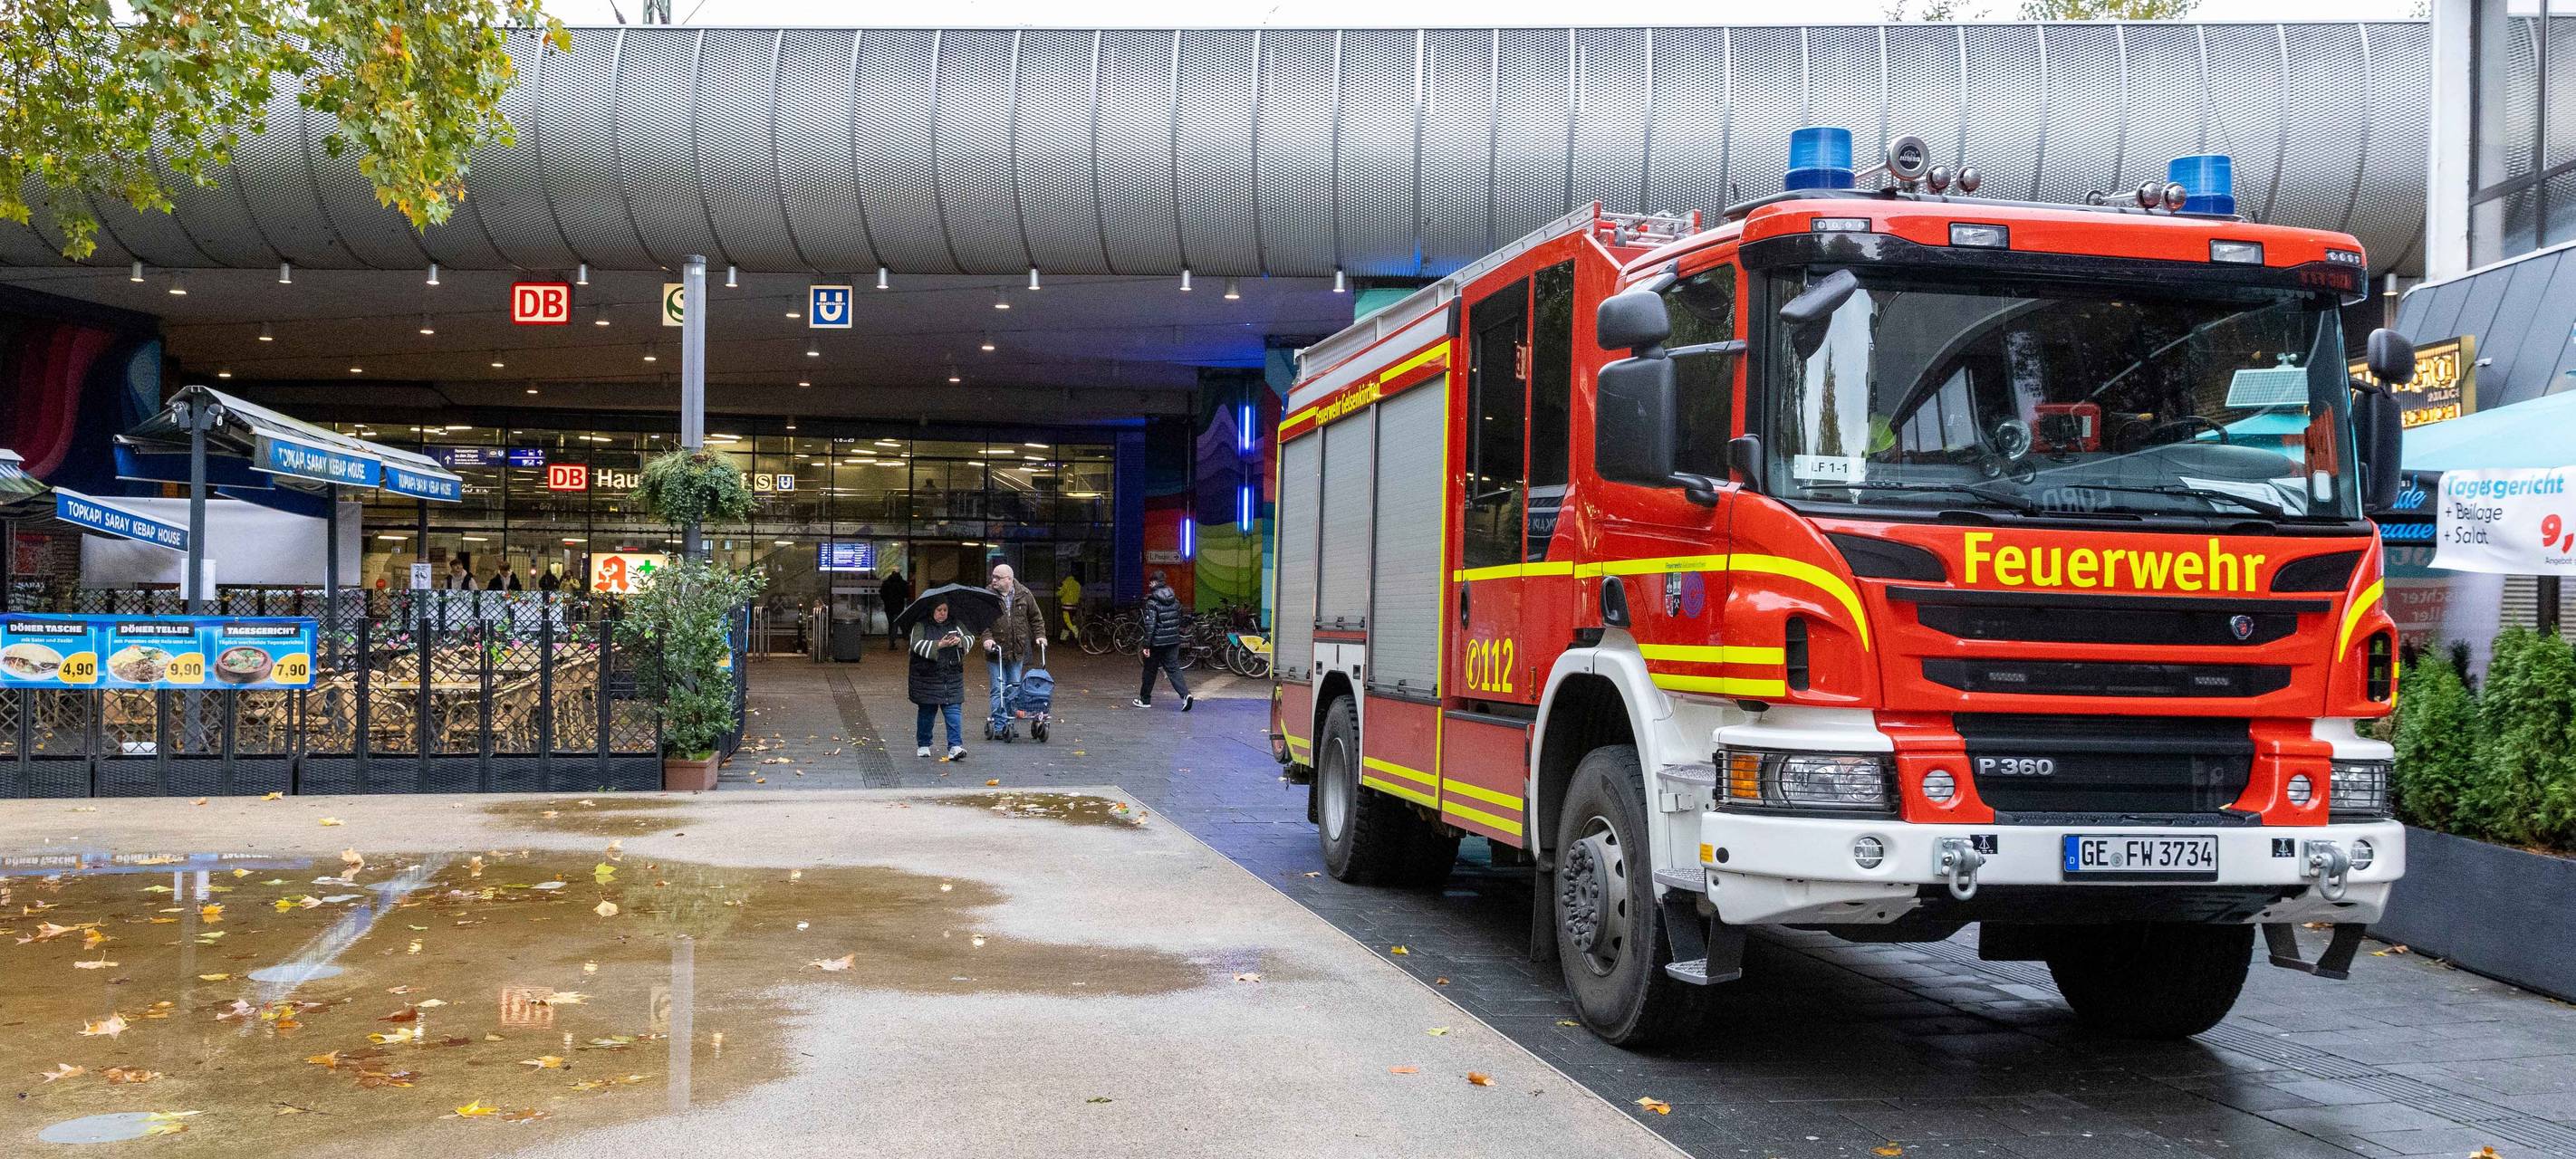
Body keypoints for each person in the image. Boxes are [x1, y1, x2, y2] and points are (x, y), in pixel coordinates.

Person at [982, 563, 1048, 734]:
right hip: (996, 651)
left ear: (1009, 579)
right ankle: (999, 726)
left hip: (1017, 650)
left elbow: (1035, 617)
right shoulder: (988, 595)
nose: (993, 580)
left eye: (998, 577)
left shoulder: (1024, 594)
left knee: (1013, 689)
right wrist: (987, 639)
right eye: (993, 576)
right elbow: (982, 622)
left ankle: (1009, 722)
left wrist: (1040, 635)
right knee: (998, 689)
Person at [908, 599, 969, 761]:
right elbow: (916, 645)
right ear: (932, 611)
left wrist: (960, 642)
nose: (942, 613)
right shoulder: (920, 625)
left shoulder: (955, 624)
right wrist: (939, 645)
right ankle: (923, 744)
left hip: (952, 675)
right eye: (939, 610)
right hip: (927, 677)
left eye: (945, 610)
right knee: (927, 712)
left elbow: (969, 638)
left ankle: (955, 746)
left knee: (953, 711)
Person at [1131, 570, 1193, 711]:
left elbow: (1150, 625)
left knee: (1149, 670)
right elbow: (1180, 619)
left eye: (1150, 582)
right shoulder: (1175, 599)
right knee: (1173, 668)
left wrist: (1146, 645)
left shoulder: (1152, 601)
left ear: (1154, 583)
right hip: (1173, 641)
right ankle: (1185, 695)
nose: (1149, 584)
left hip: (1156, 642)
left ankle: (1145, 699)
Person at [879, 568, 913, 651]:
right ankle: (900, 639)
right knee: (896, 624)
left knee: (892, 624)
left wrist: (887, 601)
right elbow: (907, 594)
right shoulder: (903, 583)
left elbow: (882, 594)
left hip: (889, 607)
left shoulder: (886, 583)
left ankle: (893, 642)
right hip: (898, 607)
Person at [1057, 568, 1083, 638]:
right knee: (1068, 622)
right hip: (1074, 606)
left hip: (1066, 606)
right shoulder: (1077, 584)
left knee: (1068, 622)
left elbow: (1060, 593)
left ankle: (1076, 632)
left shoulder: (1065, 583)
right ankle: (1063, 638)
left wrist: (1057, 591)